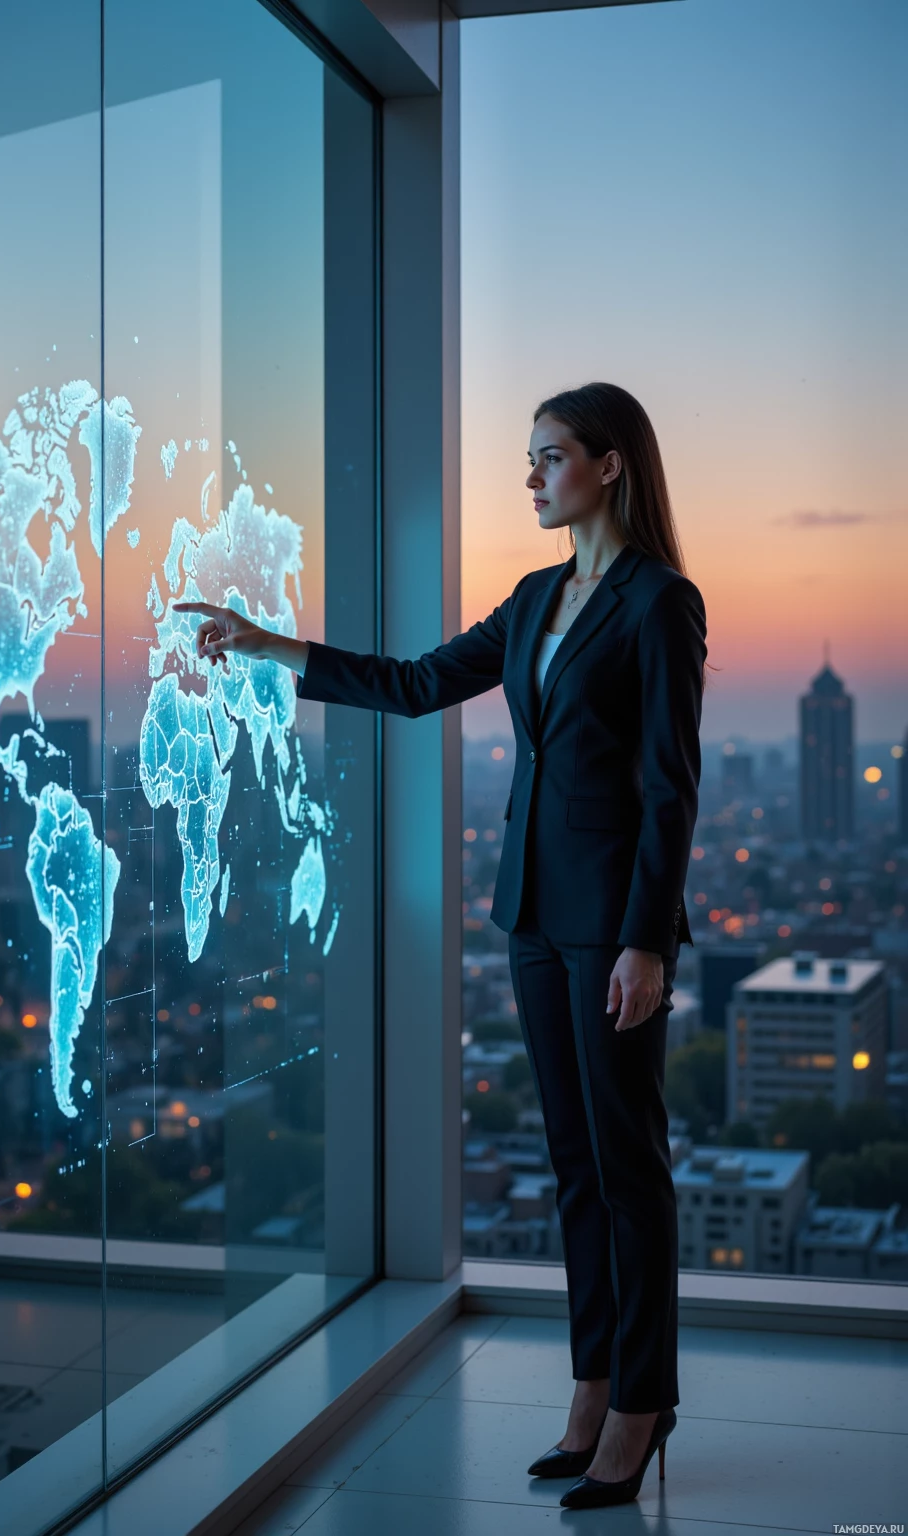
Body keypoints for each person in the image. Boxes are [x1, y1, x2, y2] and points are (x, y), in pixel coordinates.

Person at [174, 380, 707, 1511]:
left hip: (612, 924)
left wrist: (647, 943)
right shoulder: (531, 599)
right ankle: (592, 1387)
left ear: (610, 465)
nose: (531, 477)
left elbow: (668, 787)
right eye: (529, 458)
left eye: (550, 456)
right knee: (574, 1168)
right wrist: (268, 644)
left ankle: (642, 1405)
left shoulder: (661, 604)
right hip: (527, 911)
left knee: (627, 1171)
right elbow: (417, 686)